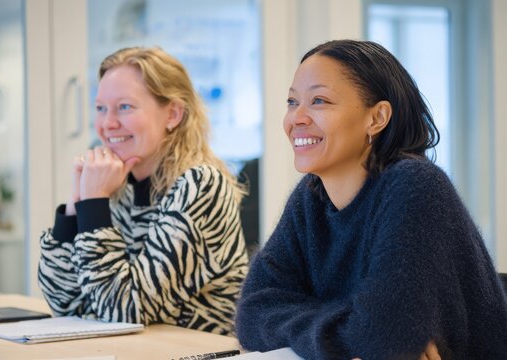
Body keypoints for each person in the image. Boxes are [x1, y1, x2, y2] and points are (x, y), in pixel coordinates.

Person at [235, 39, 507, 359]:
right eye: (292, 102)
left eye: (319, 100)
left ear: (377, 118)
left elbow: (383, 340)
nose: (297, 118)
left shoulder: (415, 187)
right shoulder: (310, 197)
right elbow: (252, 315)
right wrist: (355, 327)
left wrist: (371, 334)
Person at [38, 47, 249, 336]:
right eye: (100, 108)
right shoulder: (116, 183)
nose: (107, 123)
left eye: (124, 107)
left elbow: (127, 311)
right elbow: (64, 302)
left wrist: (95, 205)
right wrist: (77, 207)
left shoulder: (201, 184)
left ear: (173, 114)